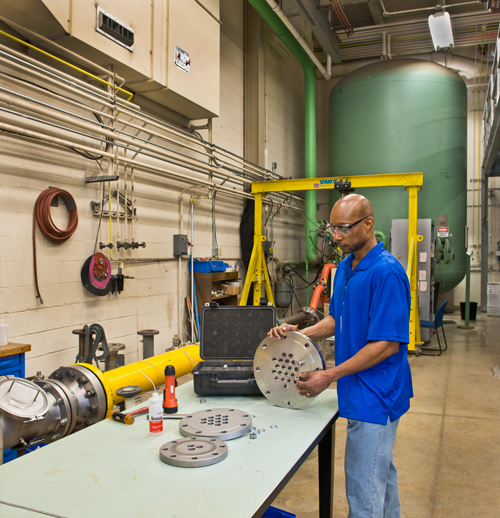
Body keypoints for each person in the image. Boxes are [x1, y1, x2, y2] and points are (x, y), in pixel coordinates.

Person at [268, 194, 413, 518]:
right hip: (357, 388)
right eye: (332, 228)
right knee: (381, 476)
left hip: (377, 393)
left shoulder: (386, 273)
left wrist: (328, 375)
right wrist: (295, 336)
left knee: (364, 493)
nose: (335, 236)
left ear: (368, 224)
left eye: (343, 228)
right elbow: (336, 319)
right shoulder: (346, 267)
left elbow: (387, 344)